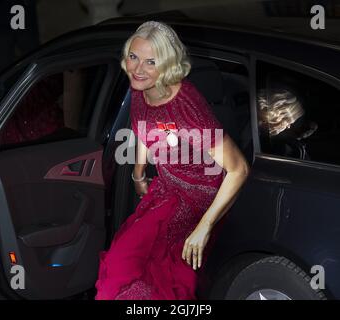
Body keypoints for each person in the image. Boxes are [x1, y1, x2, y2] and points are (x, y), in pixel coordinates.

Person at [94, 21, 250, 300]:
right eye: (133, 57)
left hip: (198, 195)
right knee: (131, 267)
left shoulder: (186, 109)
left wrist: (205, 226)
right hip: (166, 186)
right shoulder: (140, 89)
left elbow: (238, 169)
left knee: (132, 269)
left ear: (166, 65)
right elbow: (142, 129)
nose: (138, 69)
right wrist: (138, 174)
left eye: (150, 62)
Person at [257, 84, 318, 160]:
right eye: (288, 122)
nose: (288, 127)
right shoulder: (247, 126)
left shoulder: (257, 132)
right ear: (276, 114)